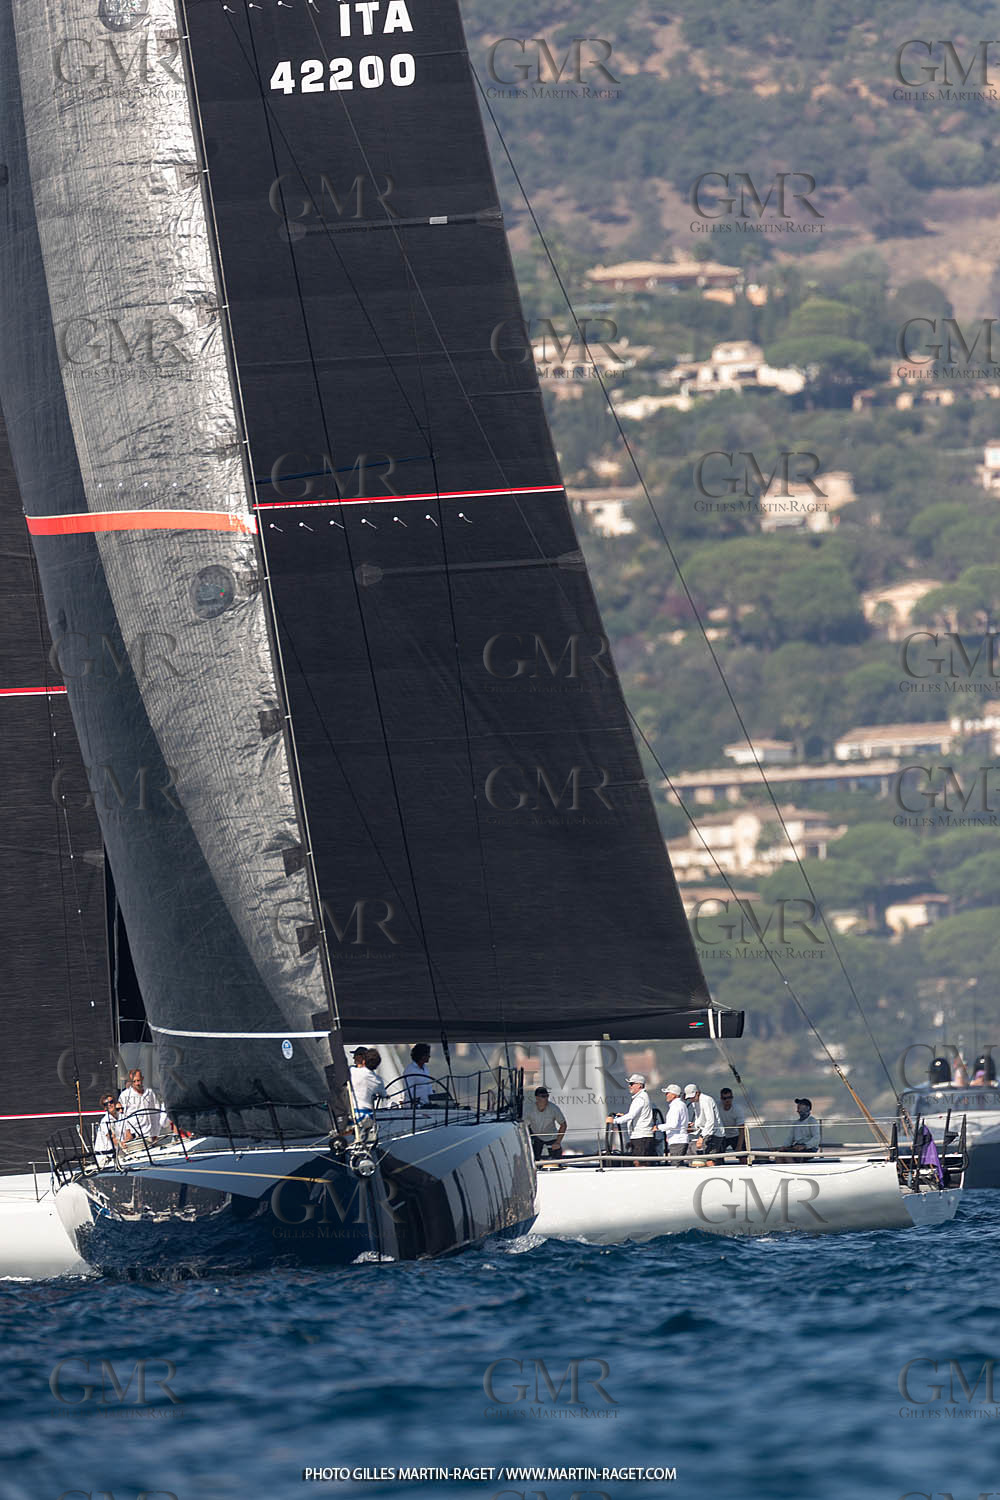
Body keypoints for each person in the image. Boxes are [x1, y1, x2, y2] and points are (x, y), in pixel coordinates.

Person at [607, 1074, 655, 1161]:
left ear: (639, 1085)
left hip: (641, 1137)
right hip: (641, 1137)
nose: (629, 1086)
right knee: (639, 1163)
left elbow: (631, 1115)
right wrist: (623, 1116)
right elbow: (634, 1115)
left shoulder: (640, 1098)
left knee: (640, 1164)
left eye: (632, 1084)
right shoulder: (642, 1097)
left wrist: (613, 1121)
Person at [118, 1069, 167, 1144]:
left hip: (149, 1135)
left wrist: (156, 1133)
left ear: (142, 1078)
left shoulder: (150, 1093)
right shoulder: (125, 1095)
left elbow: (155, 1113)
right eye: (134, 1081)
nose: (137, 1083)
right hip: (134, 1135)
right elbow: (122, 1117)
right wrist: (127, 1133)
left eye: (138, 1080)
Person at [684, 1083, 725, 1155]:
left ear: (697, 1093)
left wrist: (701, 1137)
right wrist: (693, 1127)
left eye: (692, 1097)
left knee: (709, 1159)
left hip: (715, 1133)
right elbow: (699, 1118)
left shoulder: (706, 1100)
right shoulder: (694, 1102)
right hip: (705, 1133)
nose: (691, 1099)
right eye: (689, 1098)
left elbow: (710, 1121)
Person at [526, 1086, 567, 1161]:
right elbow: (524, 1125)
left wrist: (558, 1142)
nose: (546, 1098)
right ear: (537, 1098)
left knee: (558, 1159)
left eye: (547, 1096)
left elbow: (563, 1124)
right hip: (536, 1136)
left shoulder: (553, 1108)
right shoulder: (529, 1109)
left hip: (551, 1136)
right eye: (543, 1096)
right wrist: (527, 1141)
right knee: (534, 1159)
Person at [656, 1083, 690, 1156]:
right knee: (677, 1163)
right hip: (679, 1139)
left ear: (674, 1095)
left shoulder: (676, 1106)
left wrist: (657, 1127)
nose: (666, 1095)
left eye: (668, 1093)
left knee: (676, 1164)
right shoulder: (681, 1104)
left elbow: (673, 1124)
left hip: (677, 1140)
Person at [718, 1087, 747, 1155]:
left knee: (743, 1156)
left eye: (729, 1097)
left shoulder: (737, 1109)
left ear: (732, 1098)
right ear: (721, 1099)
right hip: (722, 1135)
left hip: (735, 1135)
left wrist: (739, 1146)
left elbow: (741, 1128)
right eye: (725, 1098)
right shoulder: (716, 1107)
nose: (727, 1100)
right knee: (718, 1156)